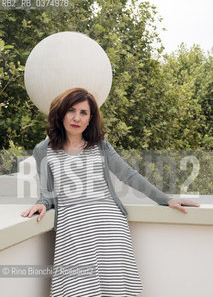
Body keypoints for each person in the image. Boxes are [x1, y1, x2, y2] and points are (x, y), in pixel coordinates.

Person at [21, 87, 200, 297]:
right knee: (78, 289)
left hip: (109, 228)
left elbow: (128, 175)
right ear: (61, 113)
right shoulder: (43, 150)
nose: (76, 118)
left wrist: (165, 199)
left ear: (90, 118)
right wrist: (42, 203)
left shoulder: (99, 145)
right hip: (73, 231)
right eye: (71, 110)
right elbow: (48, 192)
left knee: (113, 290)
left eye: (84, 112)